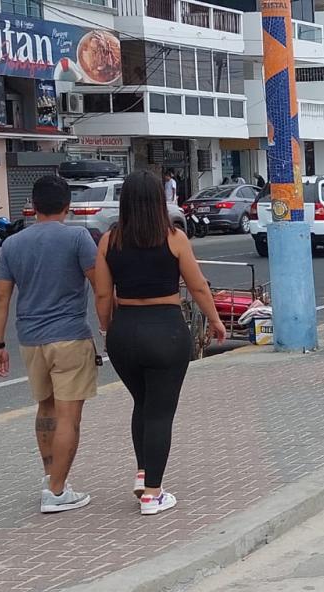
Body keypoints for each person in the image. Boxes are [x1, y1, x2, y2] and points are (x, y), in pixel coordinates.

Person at [94, 172, 225, 516]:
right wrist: (215, 320)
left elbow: (103, 293)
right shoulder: (174, 237)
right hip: (165, 329)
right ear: (158, 201)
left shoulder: (109, 241)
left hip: (125, 330)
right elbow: (197, 287)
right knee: (160, 412)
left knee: (143, 403)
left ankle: (143, 472)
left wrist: (108, 328)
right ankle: (153, 493)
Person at [0, 175, 99, 514]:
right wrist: (110, 323)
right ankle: (56, 491)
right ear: (67, 205)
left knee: (46, 409)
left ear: (33, 206)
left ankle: (51, 474)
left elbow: (0, 297)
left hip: (30, 340)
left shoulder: (12, 245)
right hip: (69, 337)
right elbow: (101, 286)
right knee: (70, 417)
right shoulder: (78, 237)